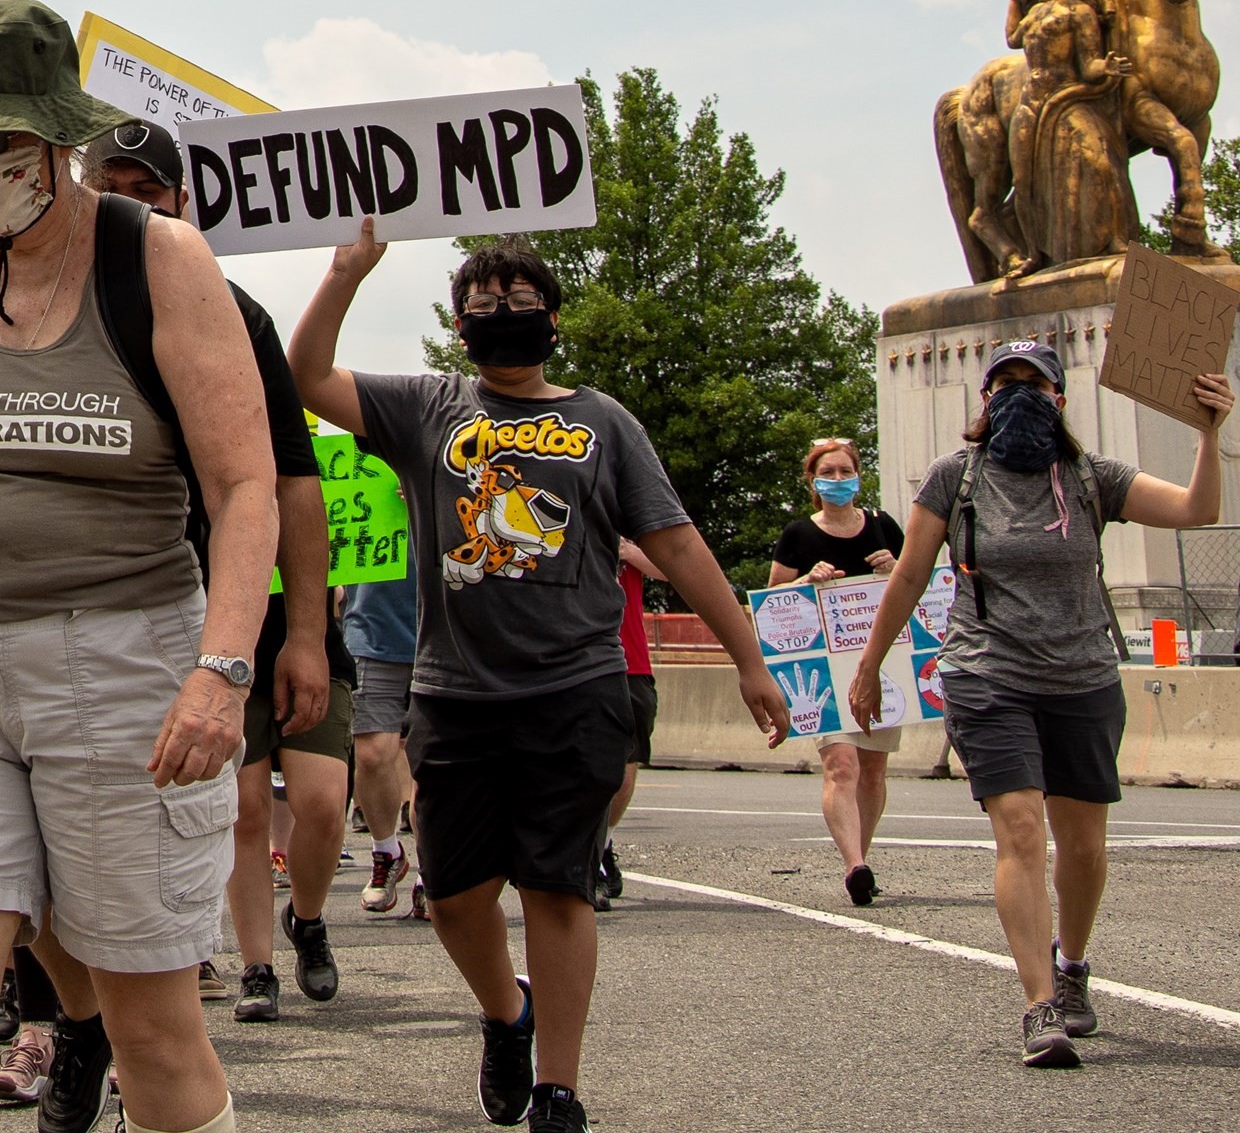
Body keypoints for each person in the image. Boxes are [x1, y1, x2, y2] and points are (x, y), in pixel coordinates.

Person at [0, 0, 282, 1133]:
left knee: (153, 1037)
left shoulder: (159, 260)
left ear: (57, 139)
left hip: (123, 672)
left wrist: (223, 671)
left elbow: (244, 488)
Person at [291, 228, 787, 1133]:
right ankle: (505, 1014)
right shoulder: (428, 407)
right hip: (454, 696)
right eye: (483, 304)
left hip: (576, 688)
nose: (503, 316)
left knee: (558, 888)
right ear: (458, 321)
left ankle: (559, 1090)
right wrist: (342, 276)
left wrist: (749, 658)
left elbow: (676, 542)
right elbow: (308, 377)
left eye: (521, 301)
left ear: (553, 317)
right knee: (452, 898)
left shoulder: (605, 421)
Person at [848, 341, 1230, 1069]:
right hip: (988, 675)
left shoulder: (1093, 478)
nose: (1020, 393)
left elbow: (1196, 508)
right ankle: (1038, 1005)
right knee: (1020, 831)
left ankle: (1073, 968)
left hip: (1081, 675)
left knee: (1082, 846)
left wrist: (1209, 433)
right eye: (1005, 383)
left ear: (1059, 399)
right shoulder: (953, 479)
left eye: (1035, 383)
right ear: (984, 402)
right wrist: (870, 666)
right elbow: (906, 580)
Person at [79, 120, 347, 1025]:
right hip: (95, 608)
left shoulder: (238, 316)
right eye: (106, 185)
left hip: (223, 610)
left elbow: (291, 487)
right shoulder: (20, 304)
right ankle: (81, 1005)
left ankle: (200, 971)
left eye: (146, 187)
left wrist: (306, 633)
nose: (128, 203)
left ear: (182, 203)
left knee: (272, 799)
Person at [766, 437, 904, 906]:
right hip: (824, 669)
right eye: (830, 473)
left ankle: (860, 854)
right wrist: (808, 580)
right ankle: (854, 865)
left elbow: (919, 586)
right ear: (813, 480)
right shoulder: (799, 534)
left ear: (859, 476)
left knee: (873, 771)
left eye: (847, 472)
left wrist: (896, 568)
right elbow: (772, 605)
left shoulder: (884, 526)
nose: (839, 480)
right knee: (840, 764)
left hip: (884, 663)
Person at [590, 539, 662, 909]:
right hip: (579, 661)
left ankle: (602, 844)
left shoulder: (630, 527)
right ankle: (585, 858)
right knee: (586, 767)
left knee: (625, 768)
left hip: (631, 663)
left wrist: (632, 553)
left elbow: (672, 565)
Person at [341, 571, 418, 917]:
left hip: (445, 632)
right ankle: (387, 852)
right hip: (371, 628)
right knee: (372, 755)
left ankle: (434, 871)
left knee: (434, 765)